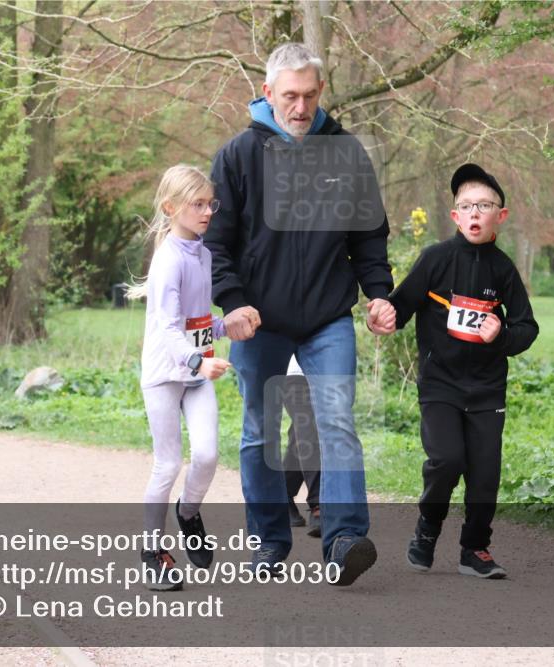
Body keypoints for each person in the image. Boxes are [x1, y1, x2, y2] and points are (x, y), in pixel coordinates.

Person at [204, 43, 395, 586]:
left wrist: (378, 294)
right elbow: (217, 245)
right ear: (268, 93)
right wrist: (234, 302)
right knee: (260, 432)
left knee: (336, 424)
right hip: (259, 320)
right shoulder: (239, 156)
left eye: (310, 94)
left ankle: (343, 542)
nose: (301, 106)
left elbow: (369, 240)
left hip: (328, 317)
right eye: (290, 95)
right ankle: (268, 540)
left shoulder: (347, 153)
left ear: (320, 92)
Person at [387, 163, 539, 579]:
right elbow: (400, 307)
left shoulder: (503, 269)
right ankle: (427, 529)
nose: (474, 213)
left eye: (484, 205)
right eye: (466, 206)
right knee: (447, 460)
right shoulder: (435, 259)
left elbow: (527, 328)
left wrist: (501, 334)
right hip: (441, 385)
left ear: (500, 216)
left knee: (485, 473)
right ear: (455, 215)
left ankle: (475, 549)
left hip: (487, 389)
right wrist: (383, 315)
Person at [128, 165, 232, 591]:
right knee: (168, 463)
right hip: (165, 375)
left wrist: (229, 326)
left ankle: (188, 513)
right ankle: (152, 551)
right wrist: (199, 363)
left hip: (195, 371)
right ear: (171, 208)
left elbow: (196, 323)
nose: (207, 211)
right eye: (198, 204)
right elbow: (170, 331)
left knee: (207, 455)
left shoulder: (203, 254)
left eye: (210, 204)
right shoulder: (168, 261)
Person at [282, 355, 321, 538]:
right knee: (306, 427)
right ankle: (318, 505)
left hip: (323, 367)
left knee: (301, 431)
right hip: (294, 370)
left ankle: (282, 495)